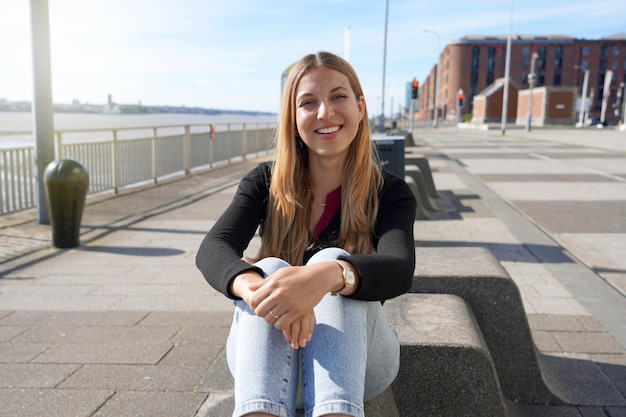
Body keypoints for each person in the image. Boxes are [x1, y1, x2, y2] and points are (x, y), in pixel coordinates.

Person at [196, 51, 417, 417]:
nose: (325, 113)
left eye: (338, 97)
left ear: (360, 108)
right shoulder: (264, 183)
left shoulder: (389, 191)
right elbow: (213, 248)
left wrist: (326, 277)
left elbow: (399, 267)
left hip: (361, 362)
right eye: (308, 102)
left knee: (332, 260)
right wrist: (265, 293)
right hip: (272, 357)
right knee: (268, 268)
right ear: (293, 117)